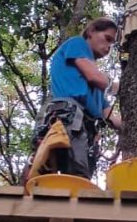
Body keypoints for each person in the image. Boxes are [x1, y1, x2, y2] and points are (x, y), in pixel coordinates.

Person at [31, 17, 123, 180]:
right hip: (68, 117)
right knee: (73, 175)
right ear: (91, 31)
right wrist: (124, 88)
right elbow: (93, 76)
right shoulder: (77, 44)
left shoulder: (96, 91)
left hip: (86, 129)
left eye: (112, 44)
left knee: (80, 179)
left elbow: (111, 117)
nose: (109, 47)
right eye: (107, 39)